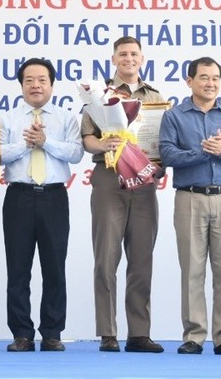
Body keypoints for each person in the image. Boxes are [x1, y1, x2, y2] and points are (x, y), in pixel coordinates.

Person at [159, 56, 221, 356]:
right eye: (203, 77)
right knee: (192, 269)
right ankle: (194, 336)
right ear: (189, 81)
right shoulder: (174, 116)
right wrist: (203, 153)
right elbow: (168, 154)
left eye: (215, 77)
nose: (210, 83)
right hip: (190, 197)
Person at [81, 36, 165, 353]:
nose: (129, 58)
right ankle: (108, 332)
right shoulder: (98, 94)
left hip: (144, 181)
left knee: (141, 258)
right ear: (114, 59)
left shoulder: (156, 97)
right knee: (106, 257)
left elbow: (162, 141)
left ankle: (139, 334)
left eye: (134, 54)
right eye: (122, 54)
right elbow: (87, 136)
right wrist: (102, 145)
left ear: (142, 59)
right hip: (108, 177)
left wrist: (160, 160)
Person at [0, 58, 84, 352]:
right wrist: (26, 144)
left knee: (54, 268)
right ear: (21, 84)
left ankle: (52, 332)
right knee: (18, 269)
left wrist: (45, 142)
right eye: (29, 80)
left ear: (52, 84)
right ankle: (22, 333)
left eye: (42, 80)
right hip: (18, 197)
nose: (36, 85)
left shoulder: (66, 118)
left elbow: (75, 153)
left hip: (54, 197)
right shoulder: (7, 119)